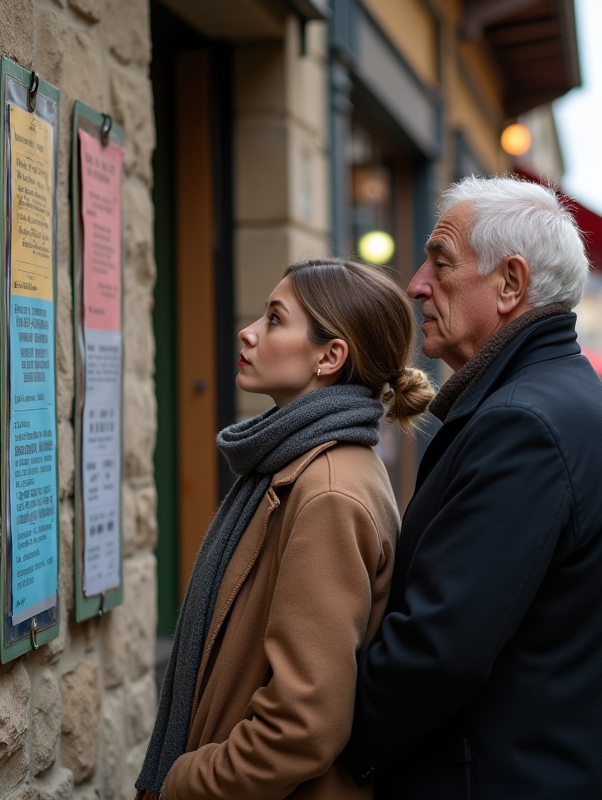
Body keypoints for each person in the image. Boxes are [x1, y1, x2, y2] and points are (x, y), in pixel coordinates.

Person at [340, 176, 602, 798]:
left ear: (510, 284)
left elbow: (438, 648)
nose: (417, 284)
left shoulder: (523, 422)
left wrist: (329, 742)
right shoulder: (556, 400)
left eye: (441, 261)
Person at [136, 259, 435, 800]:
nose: (247, 331)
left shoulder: (326, 492)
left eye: (275, 319)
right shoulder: (298, 465)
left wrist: (187, 782)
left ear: (330, 356)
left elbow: (303, 724)